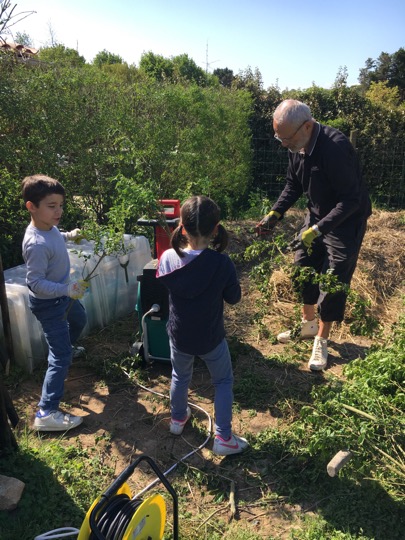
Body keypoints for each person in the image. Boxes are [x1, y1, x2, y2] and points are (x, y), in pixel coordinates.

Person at [256, 99, 372, 371]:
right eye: (279, 138)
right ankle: (307, 325)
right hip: (316, 215)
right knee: (302, 266)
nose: (283, 144)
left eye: (286, 138)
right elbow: (293, 183)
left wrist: (318, 230)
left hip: (346, 220)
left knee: (334, 276)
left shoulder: (336, 148)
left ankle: (322, 338)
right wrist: (275, 213)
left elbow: (351, 200)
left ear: (307, 126)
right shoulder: (295, 143)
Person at [157, 195, 249, 456]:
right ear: (216, 228)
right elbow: (233, 298)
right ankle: (223, 437)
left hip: (179, 334)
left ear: (182, 227)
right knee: (222, 381)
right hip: (211, 338)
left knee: (180, 376)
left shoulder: (166, 258)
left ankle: (177, 419)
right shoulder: (221, 263)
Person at [22, 174, 88, 431]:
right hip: (48, 305)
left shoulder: (50, 228)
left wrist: (71, 236)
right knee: (59, 356)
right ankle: (46, 412)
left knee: (79, 320)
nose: (58, 211)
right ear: (32, 207)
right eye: (52, 206)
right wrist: (66, 288)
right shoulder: (36, 243)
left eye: (61, 205)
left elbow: (57, 238)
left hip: (63, 298)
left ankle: (67, 350)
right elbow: (35, 283)